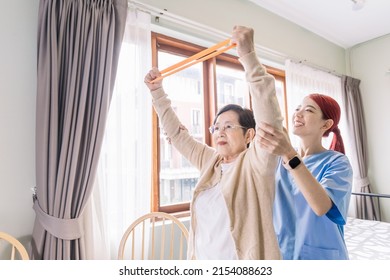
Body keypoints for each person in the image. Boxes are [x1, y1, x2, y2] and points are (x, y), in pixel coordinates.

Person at [144, 26, 283, 260]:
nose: (220, 132)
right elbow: (178, 136)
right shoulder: (211, 161)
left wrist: (248, 56)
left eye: (229, 126)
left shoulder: (258, 164)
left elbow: (269, 120)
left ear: (250, 136)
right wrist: (157, 92)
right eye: (216, 127)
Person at [257, 93, 353, 259]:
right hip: (282, 253)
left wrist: (289, 153)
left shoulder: (338, 162)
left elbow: (321, 206)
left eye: (308, 110)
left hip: (320, 258)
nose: (298, 114)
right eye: (297, 109)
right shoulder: (279, 159)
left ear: (326, 124)